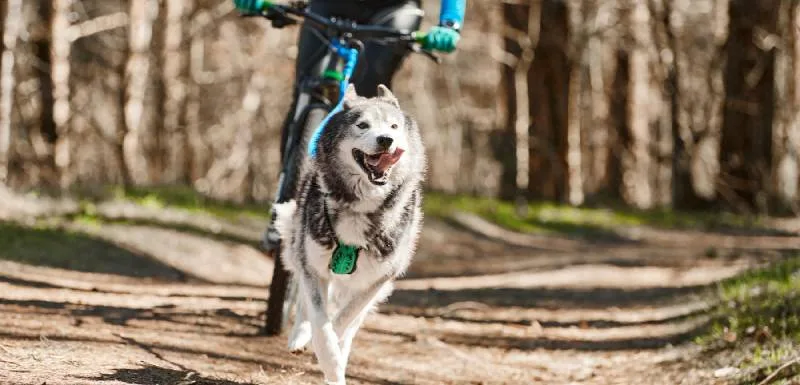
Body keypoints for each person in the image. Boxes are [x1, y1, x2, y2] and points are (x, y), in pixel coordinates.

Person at [233, 0, 465, 251]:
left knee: (366, 105)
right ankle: (284, 202)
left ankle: (361, 228)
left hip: (394, 10)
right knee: (308, 91)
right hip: (329, 5)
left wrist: (450, 24)